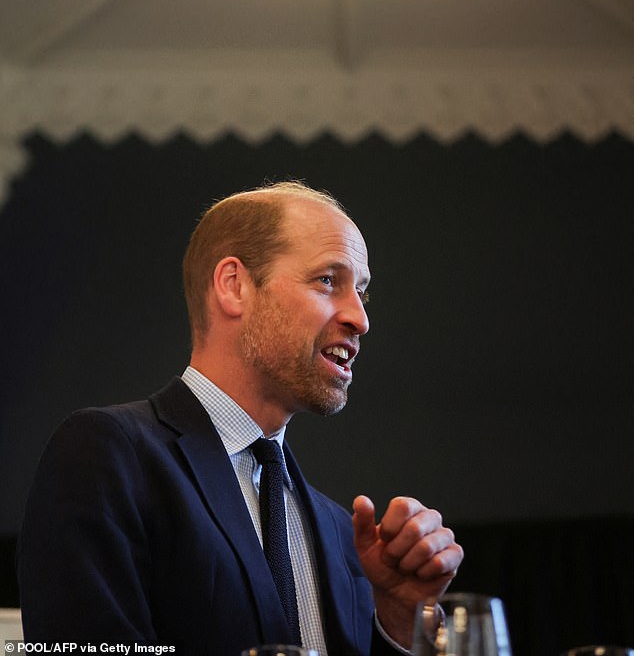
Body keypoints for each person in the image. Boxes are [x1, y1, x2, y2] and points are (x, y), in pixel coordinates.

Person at [19, 180, 463, 655]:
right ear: (234, 286)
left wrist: (395, 624)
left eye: (363, 292)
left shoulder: (340, 532)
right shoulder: (108, 456)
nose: (360, 317)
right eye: (328, 281)